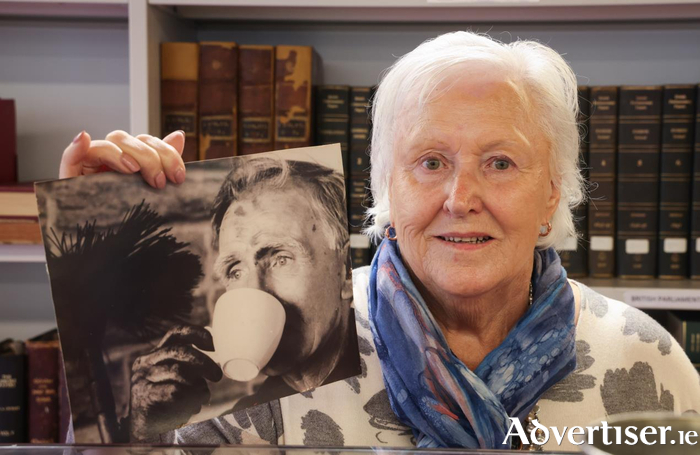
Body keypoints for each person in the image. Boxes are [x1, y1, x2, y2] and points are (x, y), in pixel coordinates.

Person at [61, 31, 700, 451]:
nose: (460, 197)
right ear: (386, 191)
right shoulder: (258, 370)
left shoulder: (647, 360)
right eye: (429, 162)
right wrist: (100, 271)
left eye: (501, 163)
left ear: (553, 194)